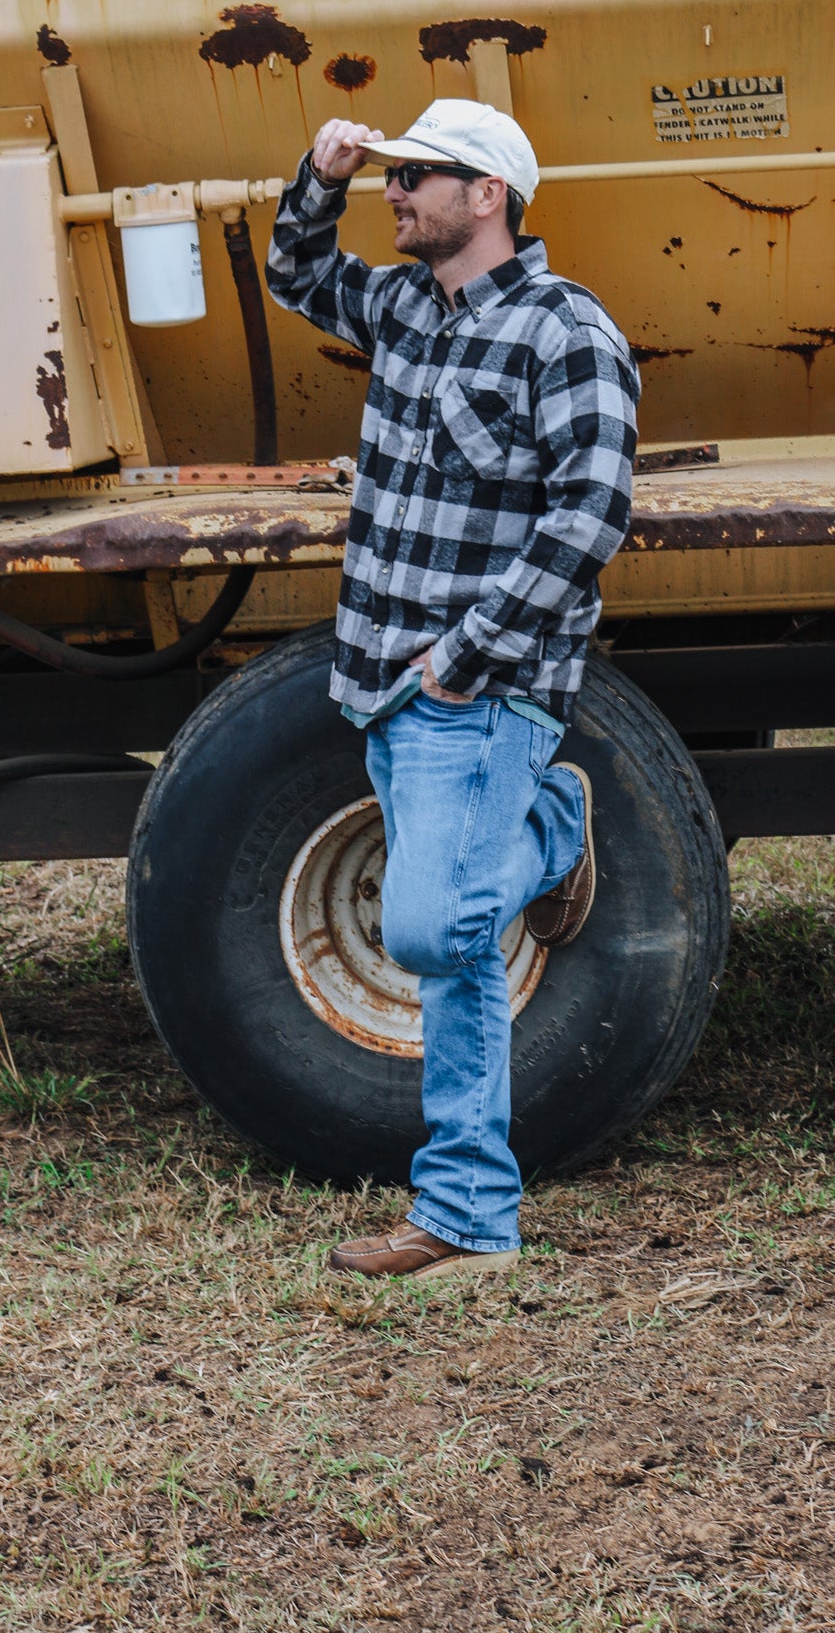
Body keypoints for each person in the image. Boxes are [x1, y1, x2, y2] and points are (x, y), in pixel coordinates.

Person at [265, 99, 640, 1280]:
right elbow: (293, 271)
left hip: (476, 686)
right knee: (464, 951)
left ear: (488, 195)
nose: (397, 189)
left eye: (417, 174)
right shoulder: (402, 310)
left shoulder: (565, 330)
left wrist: (468, 651)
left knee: (435, 926)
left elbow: (591, 515)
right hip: (381, 678)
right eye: (392, 173)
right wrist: (321, 174)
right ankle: (468, 1214)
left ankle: (554, 827)